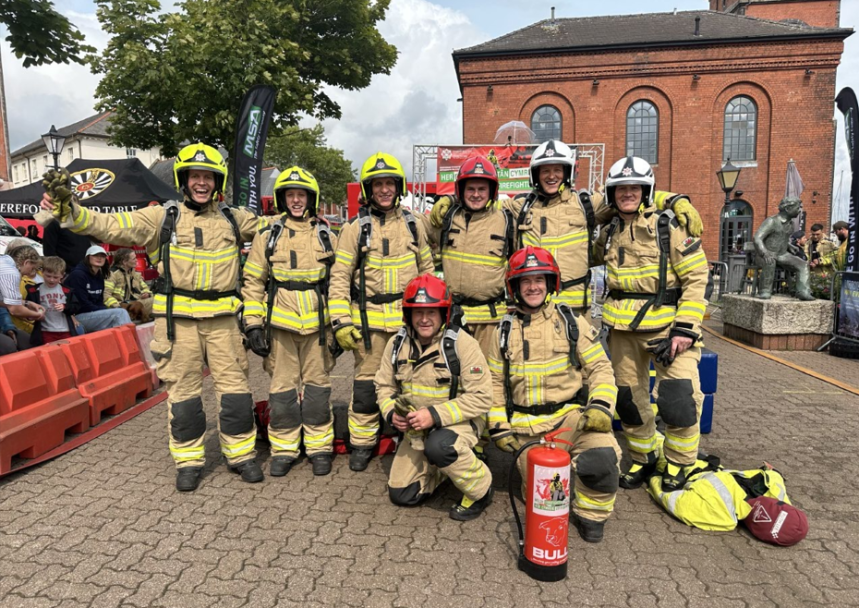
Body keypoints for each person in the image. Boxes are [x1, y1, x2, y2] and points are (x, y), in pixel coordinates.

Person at [39, 142, 269, 492]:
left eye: (208, 177)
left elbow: (275, 231)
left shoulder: (233, 218)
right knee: (184, 395)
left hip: (224, 321)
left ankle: (240, 456)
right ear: (184, 180)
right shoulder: (163, 217)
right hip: (178, 325)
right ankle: (190, 461)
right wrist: (71, 210)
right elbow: (110, 226)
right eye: (195, 176)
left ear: (217, 181)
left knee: (236, 391)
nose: (202, 183)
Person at [430, 140, 704, 313]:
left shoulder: (588, 204)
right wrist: (451, 198)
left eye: (557, 170)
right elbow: (481, 198)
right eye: (545, 170)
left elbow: (627, 195)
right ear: (535, 175)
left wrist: (674, 200)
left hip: (575, 307)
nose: (551, 176)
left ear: (567, 173)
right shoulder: (520, 206)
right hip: (531, 305)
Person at [486, 246, 622, 543]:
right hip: (527, 428)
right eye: (525, 281)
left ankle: (591, 515)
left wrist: (599, 407)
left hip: (570, 420)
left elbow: (600, 366)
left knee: (602, 458)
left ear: (551, 283)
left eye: (539, 279)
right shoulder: (502, 331)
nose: (533, 286)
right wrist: (498, 426)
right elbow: (494, 382)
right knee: (540, 497)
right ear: (515, 287)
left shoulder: (572, 322)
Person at [594, 156, 709, 492]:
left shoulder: (669, 226)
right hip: (622, 330)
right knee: (629, 400)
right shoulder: (611, 229)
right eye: (620, 189)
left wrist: (686, 328)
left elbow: (697, 275)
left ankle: (679, 463)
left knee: (678, 398)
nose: (627, 194)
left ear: (646, 190)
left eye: (635, 188)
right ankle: (644, 458)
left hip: (669, 329)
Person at [328, 153, 434, 472]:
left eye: (390, 183)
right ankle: (362, 443)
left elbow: (427, 271)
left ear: (398, 187)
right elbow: (340, 278)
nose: (384, 189)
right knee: (365, 389)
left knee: (413, 384)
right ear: (368, 189)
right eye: (378, 184)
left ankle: (411, 441)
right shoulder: (354, 228)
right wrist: (341, 322)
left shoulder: (416, 224)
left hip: (409, 323)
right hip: (369, 324)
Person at [242, 167, 338, 477]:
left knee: (318, 390)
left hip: (318, 330)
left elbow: (339, 283)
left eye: (301, 195)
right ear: (282, 199)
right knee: (281, 391)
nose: (296, 200)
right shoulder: (267, 236)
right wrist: (253, 324)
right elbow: (253, 281)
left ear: (311, 199)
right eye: (290, 195)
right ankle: (284, 449)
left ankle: (319, 447)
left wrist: (339, 325)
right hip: (280, 328)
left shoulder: (327, 235)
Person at [375, 273, 494, 520]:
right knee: (403, 495)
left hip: (458, 424)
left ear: (444, 314)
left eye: (432, 312)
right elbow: (383, 386)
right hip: (417, 431)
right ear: (408, 315)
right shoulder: (396, 344)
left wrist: (434, 415)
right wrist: (390, 414)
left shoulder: (462, 344)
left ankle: (481, 488)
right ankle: (446, 469)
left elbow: (482, 397)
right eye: (418, 312)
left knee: (440, 447)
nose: (425, 319)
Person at [63, 245, 132, 333]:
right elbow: (82, 304)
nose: (99, 258)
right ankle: (129, 342)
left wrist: (104, 309)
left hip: (92, 313)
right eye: (95, 255)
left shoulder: (99, 275)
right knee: (120, 313)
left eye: (102, 256)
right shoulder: (78, 275)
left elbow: (99, 301)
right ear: (88, 257)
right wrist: (104, 310)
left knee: (118, 319)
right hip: (76, 316)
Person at [26, 256, 81, 345]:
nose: (51, 280)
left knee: (67, 354)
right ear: (42, 272)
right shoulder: (34, 291)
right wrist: (32, 315)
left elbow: (76, 307)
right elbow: (28, 309)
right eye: (48, 276)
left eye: (55, 277)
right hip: (45, 331)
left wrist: (65, 307)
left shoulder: (67, 291)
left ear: (62, 276)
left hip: (65, 330)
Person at [0, 251, 39, 353]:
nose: (32, 272)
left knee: (29, 342)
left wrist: (26, 303)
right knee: (8, 346)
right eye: (32, 268)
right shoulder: (11, 272)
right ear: (26, 263)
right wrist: (39, 315)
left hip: (4, 321)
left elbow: (4, 304)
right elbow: (14, 310)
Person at [105, 248, 153, 322]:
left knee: (157, 300)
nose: (136, 260)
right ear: (124, 262)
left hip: (135, 302)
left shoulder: (134, 273)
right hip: (120, 306)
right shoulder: (112, 274)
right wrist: (119, 306)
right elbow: (106, 295)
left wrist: (146, 293)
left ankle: (136, 314)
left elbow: (145, 287)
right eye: (134, 259)